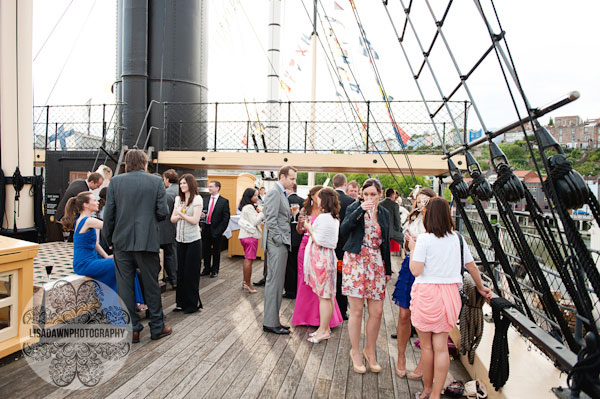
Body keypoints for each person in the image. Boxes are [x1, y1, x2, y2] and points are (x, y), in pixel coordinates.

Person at [409, 197, 492, 399]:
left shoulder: (424, 240)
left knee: (426, 347)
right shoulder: (458, 239)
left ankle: (427, 390)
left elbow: (416, 270)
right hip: (450, 295)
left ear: (428, 216)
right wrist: (481, 288)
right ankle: (437, 394)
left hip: (427, 294)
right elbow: (472, 267)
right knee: (441, 348)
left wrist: (412, 250)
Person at [103, 149, 171, 343]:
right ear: (145, 162)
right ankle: (157, 327)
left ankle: (133, 329)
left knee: (125, 287)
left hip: (121, 243)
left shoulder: (115, 182)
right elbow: (163, 212)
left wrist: (110, 241)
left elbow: (109, 216)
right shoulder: (156, 181)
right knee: (151, 285)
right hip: (147, 241)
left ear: (126, 162)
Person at [61, 191, 146, 316]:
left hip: (88, 262)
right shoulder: (88, 221)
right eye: (94, 200)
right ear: (86, 205)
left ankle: (133, 303)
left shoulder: (81, 220)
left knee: (122, 264)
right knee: (125, 265)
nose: (97, 202)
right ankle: (133, 304)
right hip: (85, 264)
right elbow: (112, 227)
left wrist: (106, 256)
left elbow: (94, 243)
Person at [341, 178, 392, 374]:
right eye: (366, 194)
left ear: (380, 194)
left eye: (373, 194)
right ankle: (355, 351)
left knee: (377, 311)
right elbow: (343, 230)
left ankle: (369, 351)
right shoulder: (354, 208)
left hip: (376, 261)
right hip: (355, 260)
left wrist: (387, 269)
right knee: (356, 311)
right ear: (362, 194)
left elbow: (386, 241)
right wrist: (361, 209)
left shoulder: (385, 213)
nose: (369, 197)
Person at [392, 187, 436, 379]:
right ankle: (400, 356)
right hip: (409, 266)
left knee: (422, 319)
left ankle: (420, 365)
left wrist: (418, 244)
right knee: (403, 314)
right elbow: (405, 245)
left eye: (426, 200)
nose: (421, 204)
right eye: (419, 200)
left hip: (427, 270)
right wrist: (408, 243)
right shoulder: (413, 218)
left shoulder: (436, 223)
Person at [293, 185, 343, 328]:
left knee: (321, 285)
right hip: (305, 246)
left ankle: (323, 320)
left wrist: (310, 228)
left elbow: (322, 237)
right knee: (304, 280)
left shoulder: (325, 214)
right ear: (313, 195)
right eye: (319, 194)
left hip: (319, 249)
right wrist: (301, 225)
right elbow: (299, 231)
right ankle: (305, 316)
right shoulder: (305, 210)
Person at [303, 187, 341, 343]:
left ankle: (324, 330)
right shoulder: (333, 217)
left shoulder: (325, 218)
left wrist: (309, 228)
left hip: (322, 260)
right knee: (328, 296)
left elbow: (319, 239)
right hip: (327, 259)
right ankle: (323, 328)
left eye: (319, 197)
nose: (316, 199)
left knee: (324, 297)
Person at [262, 166, 297, 335]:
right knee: (274, 284)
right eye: (292, 178)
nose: (294, 182)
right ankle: (270, 322)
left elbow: (278, 216)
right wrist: (280, 240)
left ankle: (273, 320)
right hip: (277, 244)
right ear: (282, 177)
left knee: (277, 284)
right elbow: (270, 219)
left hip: (279, 243)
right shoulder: (275, 192)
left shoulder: (280, 192)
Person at [171, 174, 203, 313]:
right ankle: (181, 302)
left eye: (184, 183)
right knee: (181, 272)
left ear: (190, 184)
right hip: (180, 239)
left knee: (191, 272)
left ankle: (192, 304)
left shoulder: (197, 199)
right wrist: (180, 214)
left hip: (193, 240)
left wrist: (181, 214)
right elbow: (172, 219)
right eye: (181, 184)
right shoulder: (178, 199)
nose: (182, 186)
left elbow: (195, 220)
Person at [332, 173, 354, 320]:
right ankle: (342, 309)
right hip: (345, 244)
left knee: (329, 276)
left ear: (334, 185)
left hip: (329, 243)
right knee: (343, 276)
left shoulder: (328, 200)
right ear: (345, 184)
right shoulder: (352, 201)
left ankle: (330, 308)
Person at [201, 180, 230, 278]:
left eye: (211, 186)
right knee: (205, 250)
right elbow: (203, 212)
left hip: (216, 229)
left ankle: (215, 269)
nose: (209, 188)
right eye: (209, 186)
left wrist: (219, 231)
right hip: (206, 228)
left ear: (217, 188)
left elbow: (226, 218)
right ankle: (206, 268)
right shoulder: (205, 199)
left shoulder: (224, 201)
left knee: (216, 251)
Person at [238, 187, 265, 294]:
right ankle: (247, 284)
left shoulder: (248, 206)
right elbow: (254, 221)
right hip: (250, 237)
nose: (257, 197)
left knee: (248, 259)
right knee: (249, 260)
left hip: (246, 236)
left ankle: (245, 282)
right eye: (254, 195)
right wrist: (263, 213)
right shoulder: (249, 207)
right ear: (249, 197)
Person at [160, 169, 179, 289]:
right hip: (171, 229)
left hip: (158, 231)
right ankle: (174, 280)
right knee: (171, 255)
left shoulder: (166, 193)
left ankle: (162, 278)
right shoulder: (173, 195)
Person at [284, 183, 304, 299]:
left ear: (290, 189)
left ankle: (290, 290)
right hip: (300, 237)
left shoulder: (285, 201)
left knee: (289, 265)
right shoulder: (304, 201)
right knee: (298, 265)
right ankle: (298, 289)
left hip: (289, 237)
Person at [380, 188, 404, 256]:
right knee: (405, 240)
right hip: (392, 231)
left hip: (382, 231)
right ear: (393, 195)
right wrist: (398, 229)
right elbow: (397, 219)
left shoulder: (380, 204)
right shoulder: (394, 205)